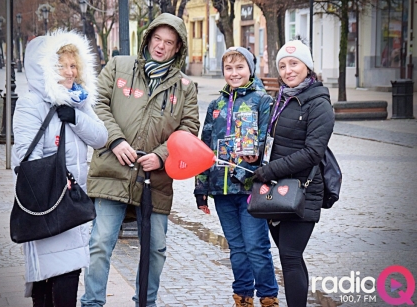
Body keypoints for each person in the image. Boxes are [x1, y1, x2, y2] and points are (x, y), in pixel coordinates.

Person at [81, 13, 200, 307]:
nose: (161, 46)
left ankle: (145, 303)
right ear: (147, 39)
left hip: (155, 180)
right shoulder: (119, 66)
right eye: (157, 39)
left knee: (156, 248)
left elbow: (189, 128)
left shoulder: (185, 87)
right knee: (100, 242)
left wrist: (161, 157)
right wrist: (116, 140)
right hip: (114, 171)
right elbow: (97, 103)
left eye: (169, 42)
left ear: (178, 48)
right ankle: (92, 302)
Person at [11, 29, 108, 306]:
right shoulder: (31, 104)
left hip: (72, 208)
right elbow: (28, 159)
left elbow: (101, 138)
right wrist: (58, 183)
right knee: (50, 279)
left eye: (73, 65)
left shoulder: (78, 99)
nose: (70, 72)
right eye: (62, 65)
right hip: (47, 205)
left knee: (67, 274)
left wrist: (76, 117)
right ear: (45, 69)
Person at [194, 46, 279, 307]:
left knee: (256, 247)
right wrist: (201, 189)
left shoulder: (262, 100)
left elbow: (267, 142)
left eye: (240, 67)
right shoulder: (215, 105)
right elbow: (204, 147)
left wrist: (253, 163)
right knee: (237, 248)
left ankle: (268, 296)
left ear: (250, 69)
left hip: (252, 188)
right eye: (228, 68)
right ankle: (242, 296)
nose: (234, 73)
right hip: (222, 191)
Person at [254, 40, 335, 307]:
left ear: (307, 66)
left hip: (302, 191)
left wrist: (268, 171)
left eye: (294, 63)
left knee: (289, 256)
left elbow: (313, 152)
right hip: (277, 191)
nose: (288, 70)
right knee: (292, 257)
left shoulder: (319, 102)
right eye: (283, 65)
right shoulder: (282, 99)